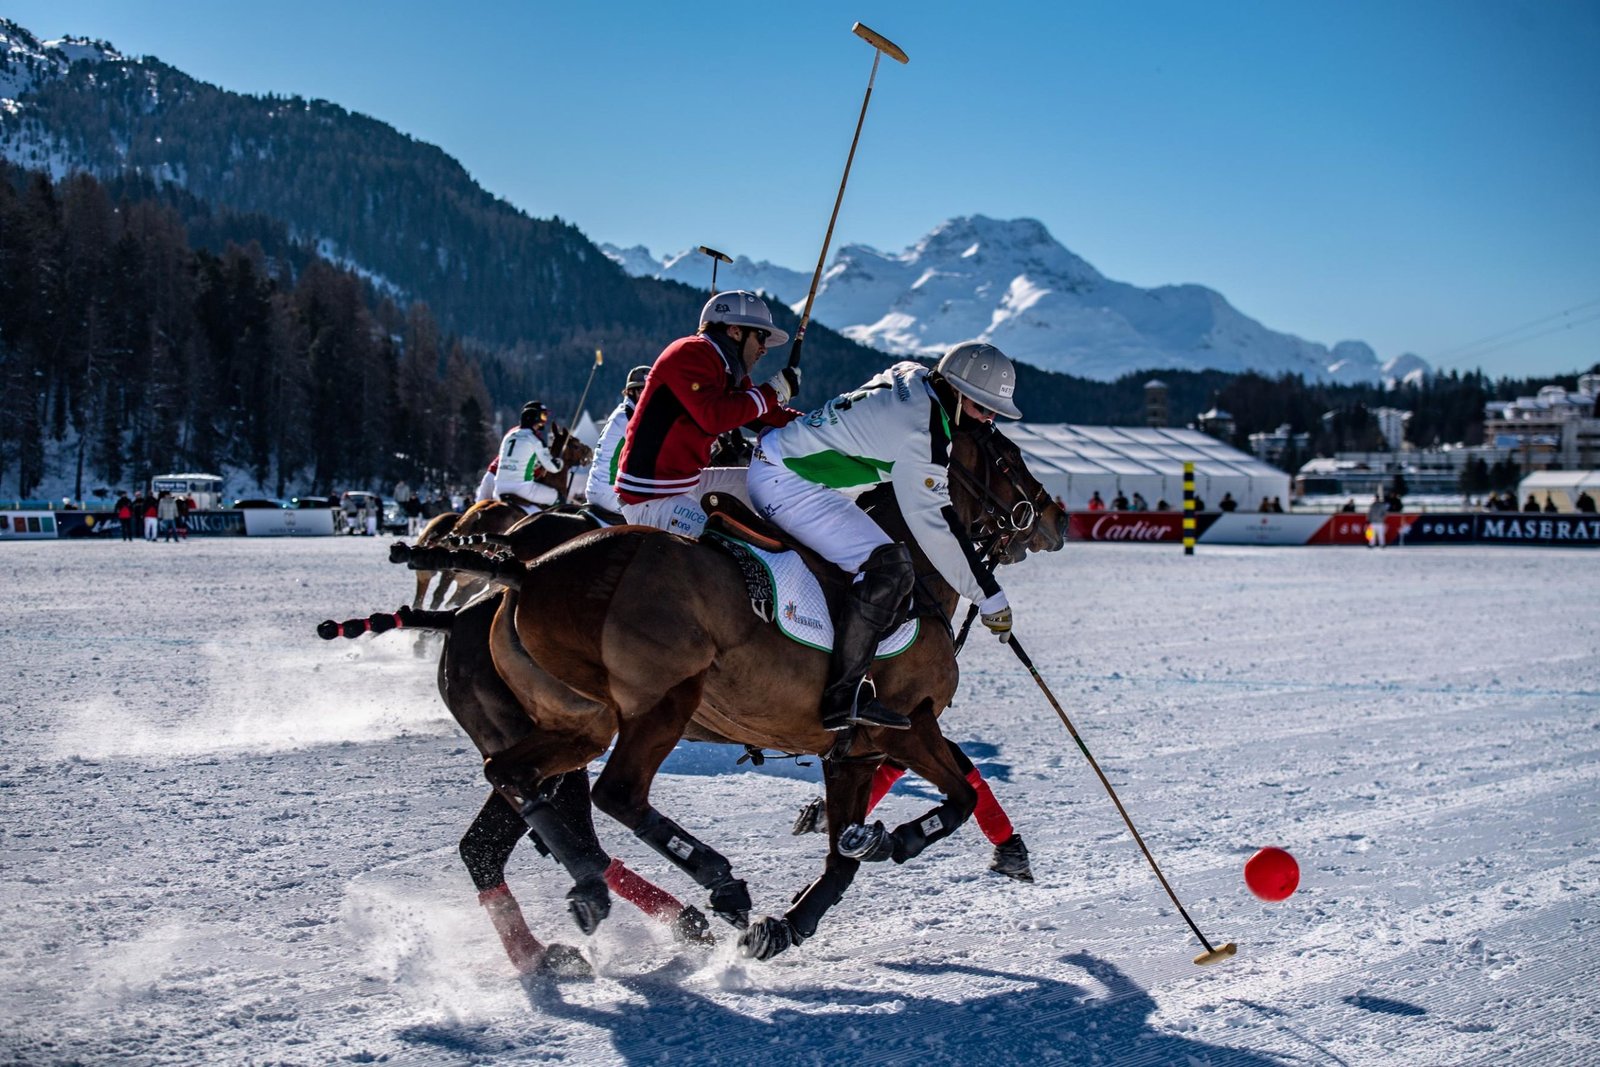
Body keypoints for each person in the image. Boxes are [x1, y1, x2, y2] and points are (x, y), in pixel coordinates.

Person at [748, 341, 1019, 732]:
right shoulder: (922, 434)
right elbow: (936, 525)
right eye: (981, 408)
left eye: (995, 413)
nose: (987, 421)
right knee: (889, 566)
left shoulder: (912, 373)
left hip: (781, 462)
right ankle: (842, 696)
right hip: (786, 482)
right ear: (957, 392)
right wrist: (988, 595)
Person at [616, 290, 800, 537]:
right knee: (736, 554)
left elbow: (762, 415)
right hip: (652, 498)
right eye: (761, 336)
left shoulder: (727, 369)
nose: (764, 349)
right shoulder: (691, 352)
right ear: (736, 331)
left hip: (686, 484)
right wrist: (773, 391)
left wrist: (816, 425)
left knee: (775, 485)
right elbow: (714, 417)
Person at [584, 364, 651, 516]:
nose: (648, 396)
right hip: (609, 493)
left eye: (651, 391)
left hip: (599, 489)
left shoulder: (624, 413)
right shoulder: (628, 418)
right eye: (643, 391)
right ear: (631, 392)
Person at [494, 402, 564, 516]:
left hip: (499, 488)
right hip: (522, 488)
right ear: (535, 420)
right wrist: (560, 462)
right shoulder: (534, 439)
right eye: (541, 418)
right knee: (558, 497)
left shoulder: (508, 437)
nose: (542, 422)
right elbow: (552, 468)